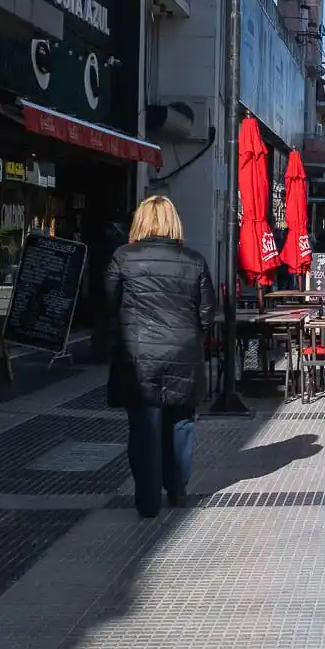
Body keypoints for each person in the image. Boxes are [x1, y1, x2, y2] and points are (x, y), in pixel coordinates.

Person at [105, 195, 215, 518]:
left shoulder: (122, 258)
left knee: (144, 428)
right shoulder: (194, 261)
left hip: (139, 357)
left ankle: (148, 499)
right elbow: (207, 314)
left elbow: (108, 304)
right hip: (183, 352)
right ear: (173, 223)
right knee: (180, 423)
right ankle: (177, 487)